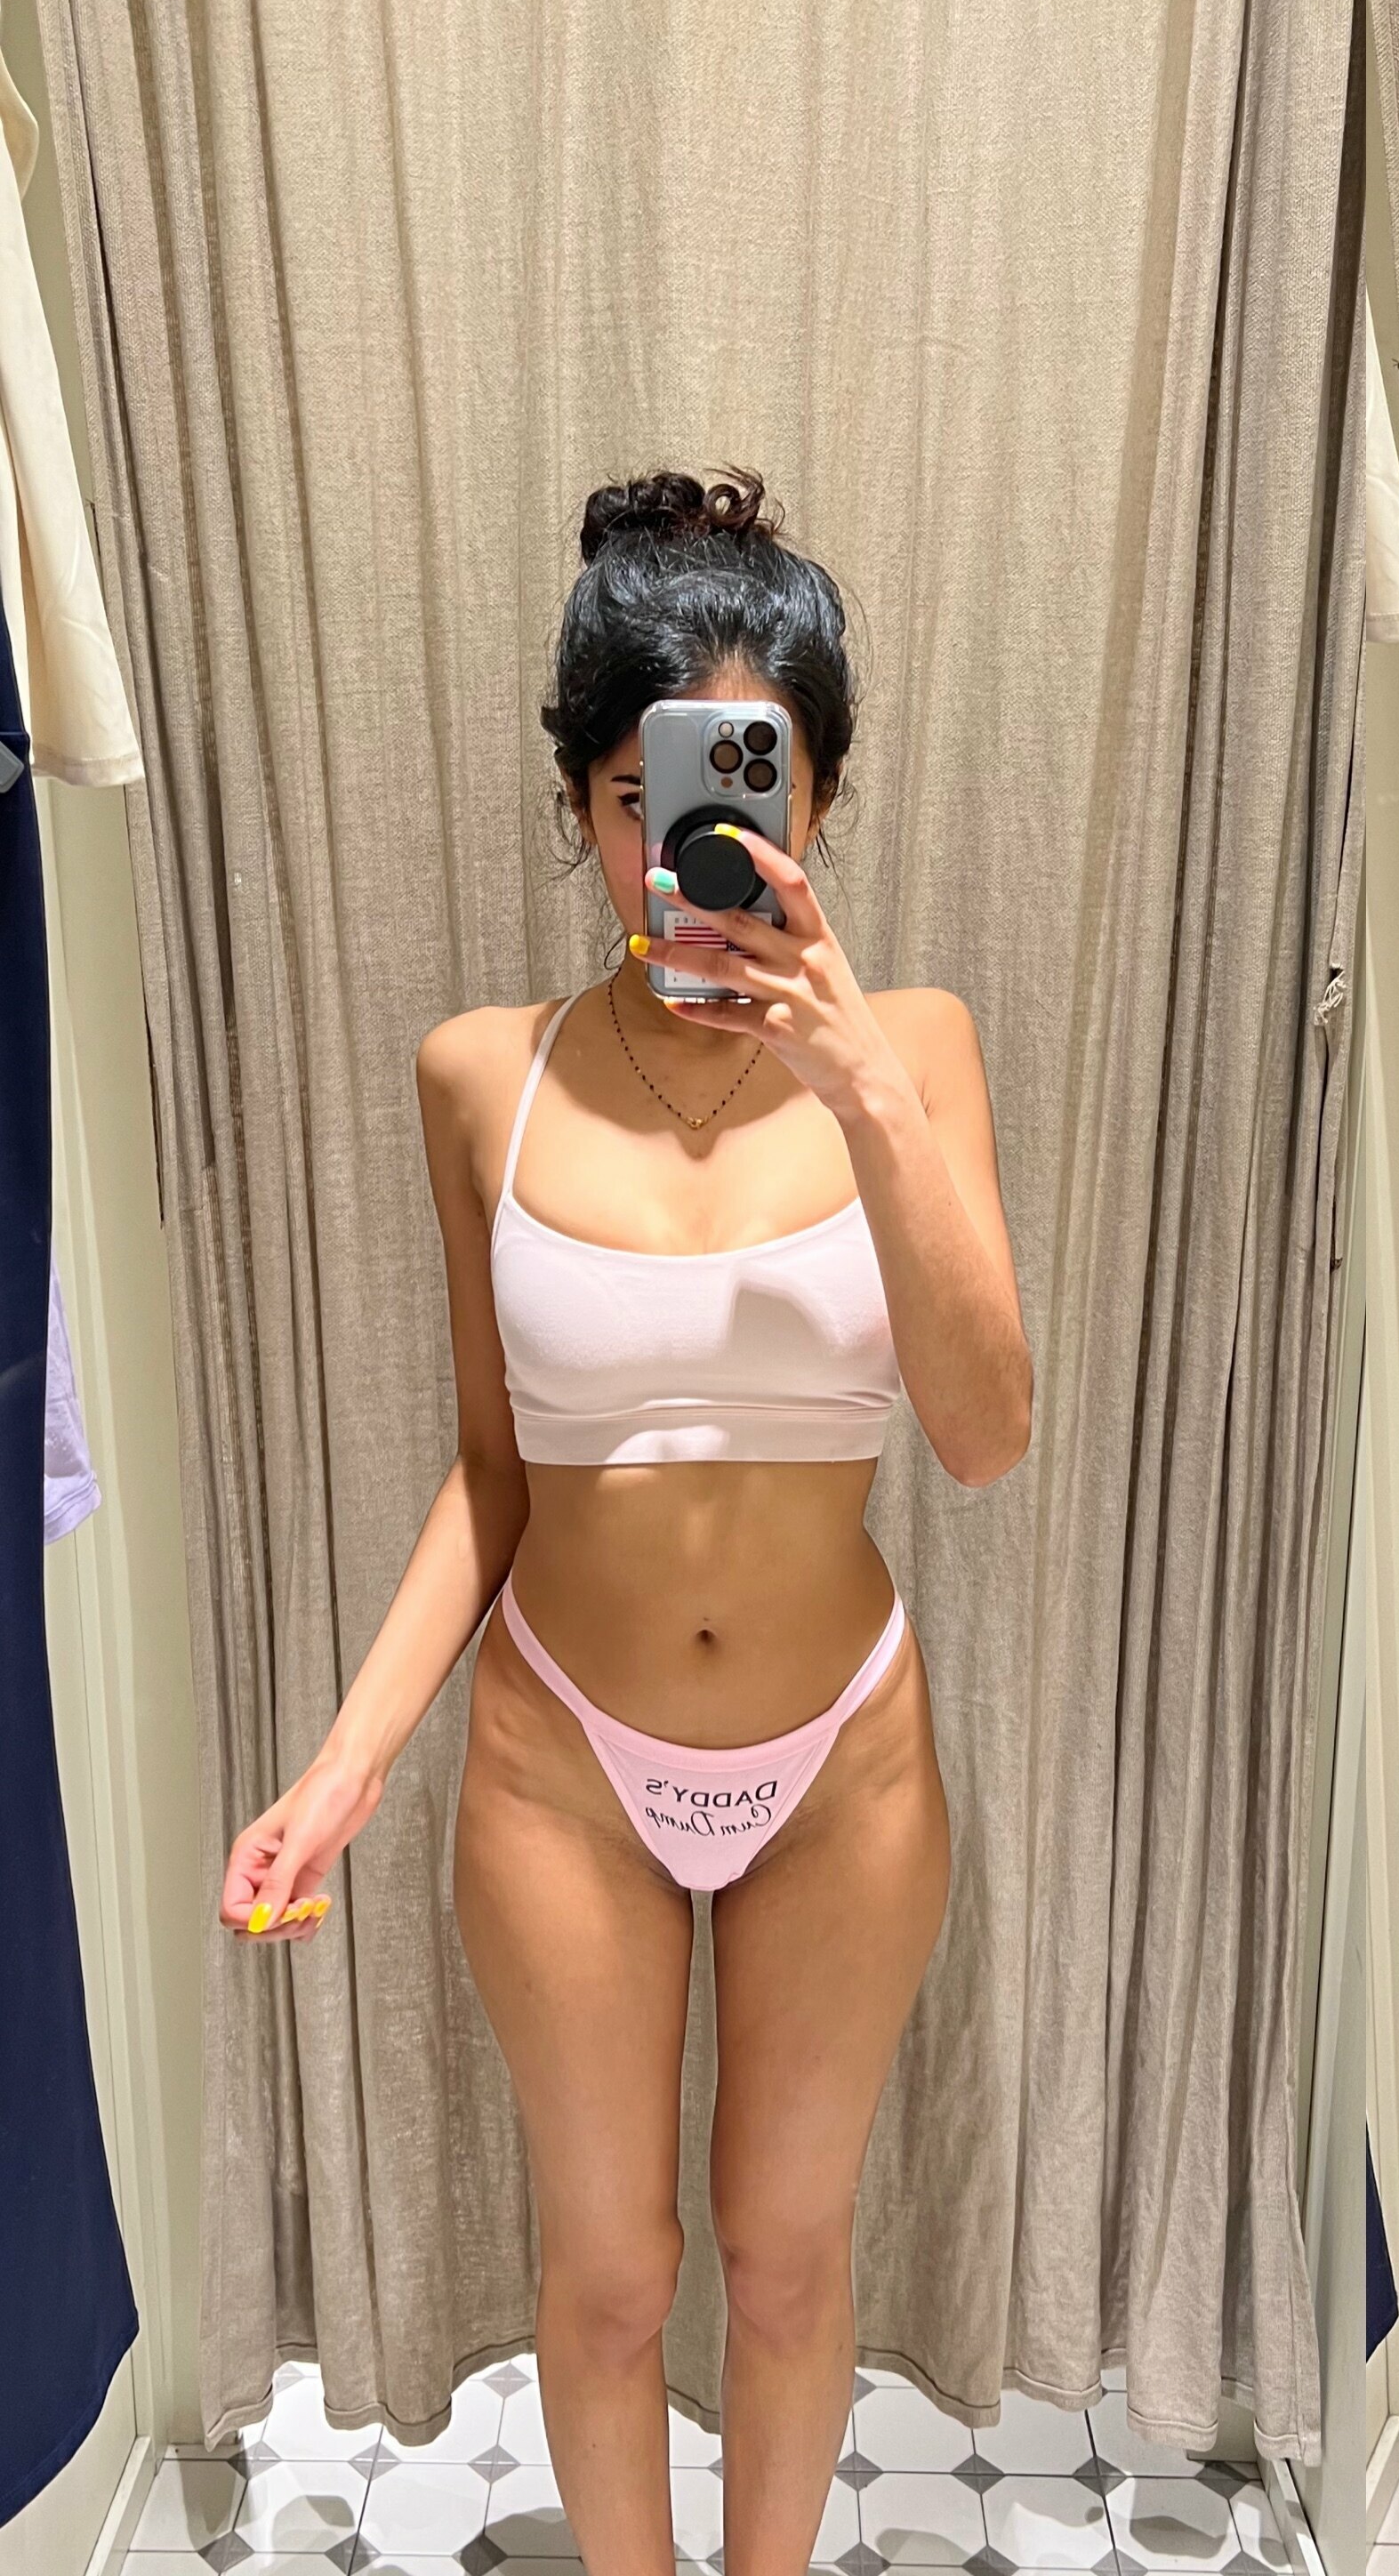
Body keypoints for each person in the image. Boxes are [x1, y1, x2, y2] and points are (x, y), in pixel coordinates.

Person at [216, 470, 1033, 2576]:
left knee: (786, 2258)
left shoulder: (917, 1051)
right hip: (558, 1763)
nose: (691, 854)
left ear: (819, 799)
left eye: (756, 798)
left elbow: (986, 1433)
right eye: (632, 801)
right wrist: (342, 1767)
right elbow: (495, 1470)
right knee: (606, 2282)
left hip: (844, 1765)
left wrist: (859, 1087)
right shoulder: (479, 1077)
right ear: (587, 802)